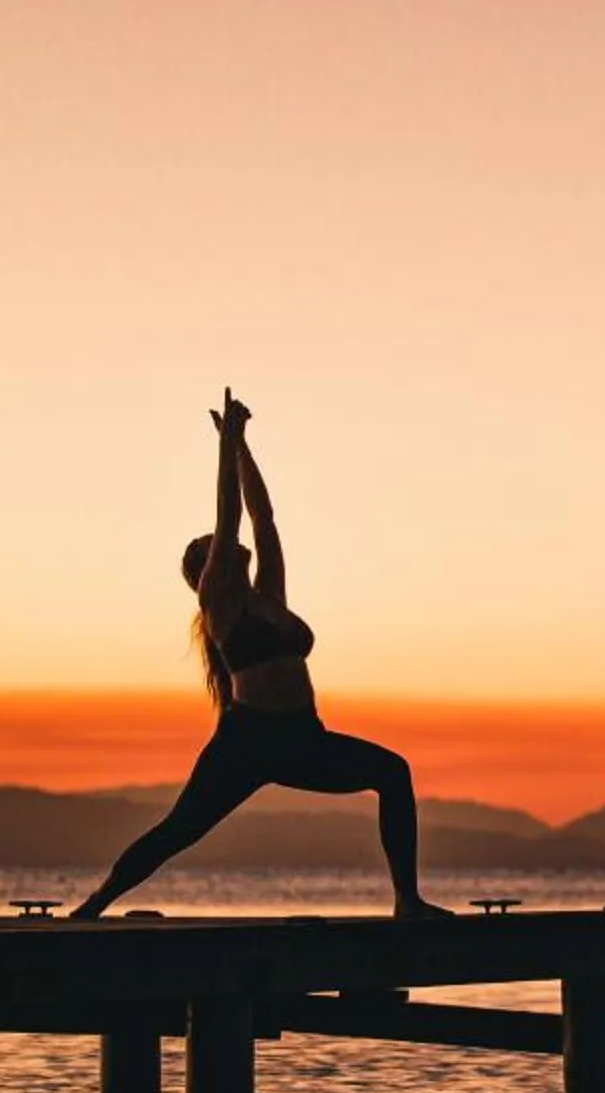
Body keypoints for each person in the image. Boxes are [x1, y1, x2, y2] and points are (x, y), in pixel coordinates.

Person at [70, 391, 446, 920]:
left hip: (301, 736)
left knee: (392, 772)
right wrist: (223, 448)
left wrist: (244, 444)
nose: (219, 541)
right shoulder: (220, 605)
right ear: (207, 570)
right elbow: (230, 518)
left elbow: (261, 518)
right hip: (247, 742)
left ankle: (408, 901)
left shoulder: (269, 597)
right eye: (210, 545)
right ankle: (94, 906)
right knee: (179, 830)